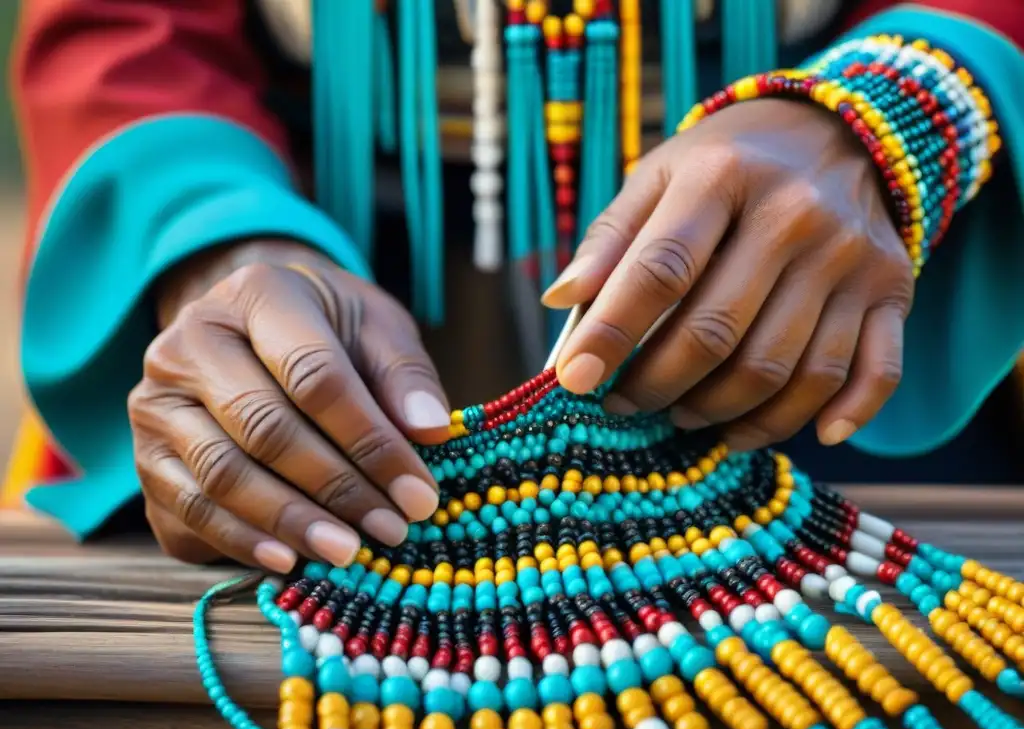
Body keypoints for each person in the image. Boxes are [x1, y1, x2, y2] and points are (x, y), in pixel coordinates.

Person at [3, 0, 1022, 575]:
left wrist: (893, 112)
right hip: (316, 259)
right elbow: (126, 35)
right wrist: (214, 249)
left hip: (840, 287)